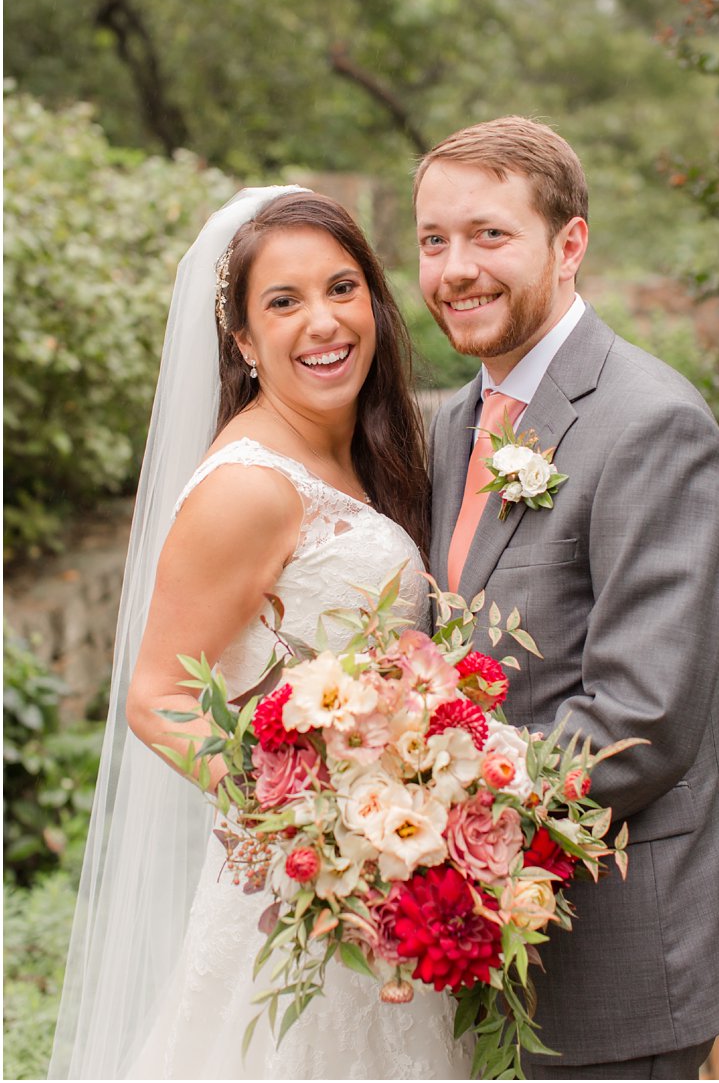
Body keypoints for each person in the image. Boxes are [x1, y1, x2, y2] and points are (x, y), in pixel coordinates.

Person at [49, 188, 468, 1078]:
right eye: (284, 302)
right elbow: (157, 696)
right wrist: (312, 823)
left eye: (342, 288)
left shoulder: (360, 452)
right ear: (242, 341)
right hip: (304, 895)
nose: (324, 322)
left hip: (388, 886)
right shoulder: (247, 485)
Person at [417, 116, 719, 1079]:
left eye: (490, 235)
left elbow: (638, 718)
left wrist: (427, 804)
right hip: (489, 936)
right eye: (434, 240)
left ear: (570, 244)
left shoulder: (654, 424)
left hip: (619, 951)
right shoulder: (455, 424)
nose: (455, 269)